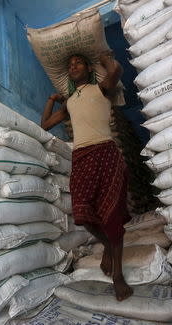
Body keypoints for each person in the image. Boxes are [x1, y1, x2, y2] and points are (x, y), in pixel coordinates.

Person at [41, 51, 133, 301]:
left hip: (106, 154)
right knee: (82, 214)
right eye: (70, 64)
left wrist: (104, 58)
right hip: (82, 158)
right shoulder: (69, 102)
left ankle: (118, 276)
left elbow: (116, 71)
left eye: (78, 62)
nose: (73, 66)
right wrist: (53, 99)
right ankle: (109, 245)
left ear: (88, 68)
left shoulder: (101, 89)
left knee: (111, 214)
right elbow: (45, 125)